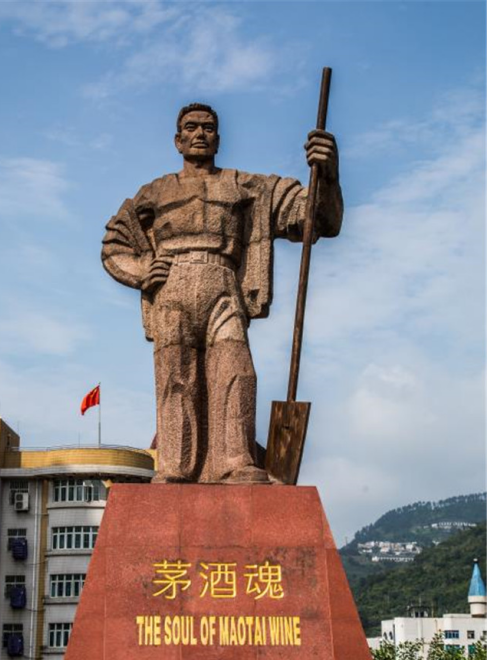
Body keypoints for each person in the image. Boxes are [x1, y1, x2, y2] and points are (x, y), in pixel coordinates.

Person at [102, 103, 343, 484]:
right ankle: (176, 467)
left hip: (223, 283)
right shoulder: (155, 192)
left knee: (237, 371)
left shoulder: (246, 186)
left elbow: (317, 219)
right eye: (191, 127)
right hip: (173, 286)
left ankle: (235, 461)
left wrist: (327, 172)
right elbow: (115, 244)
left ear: (218, 138)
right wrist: (143, 271)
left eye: (208, 128)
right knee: (176, 377)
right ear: (178, 140)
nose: (200, 133)